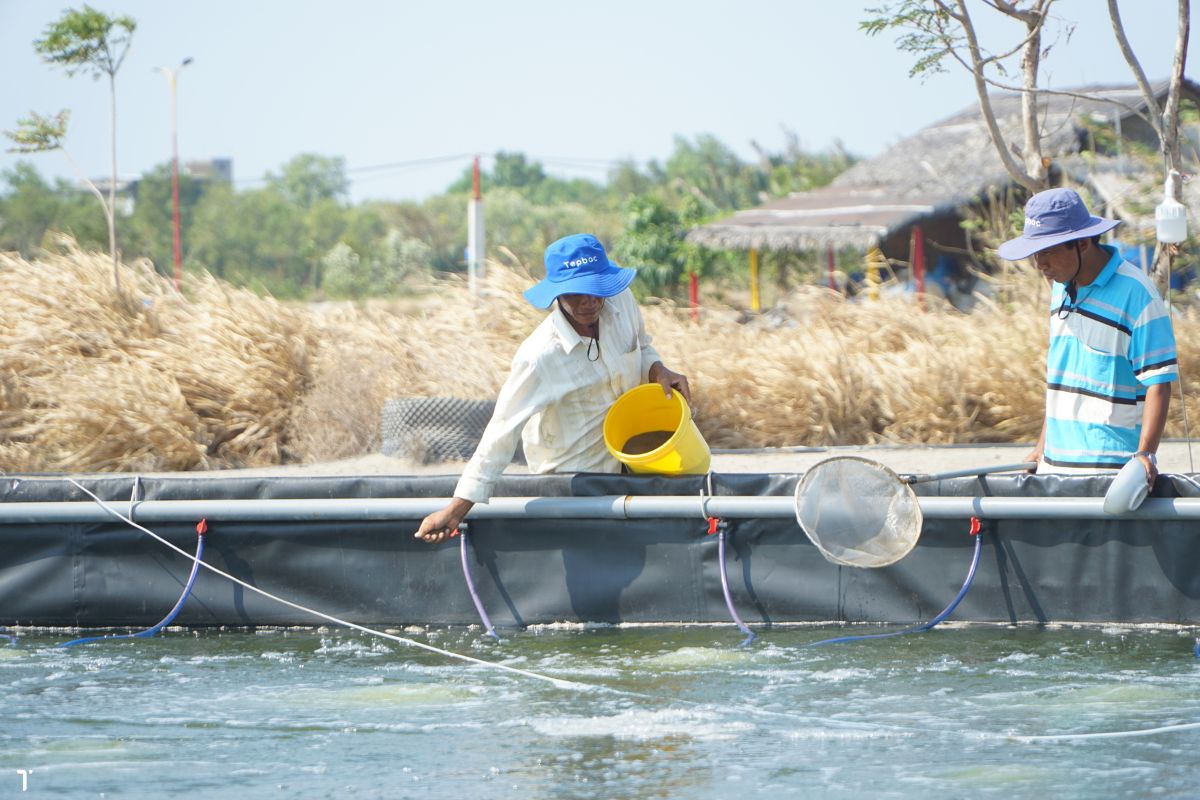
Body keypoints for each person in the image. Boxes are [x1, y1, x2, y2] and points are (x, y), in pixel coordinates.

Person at [414, 233, 691, 544]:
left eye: (597, 290)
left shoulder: (621, 303)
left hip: (634, 465)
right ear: (557, 294)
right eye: (576, 293)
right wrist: (456, 509)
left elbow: (642, 345)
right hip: (574, 483)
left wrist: (658, 369)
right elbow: (501, 433)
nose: (589, 301)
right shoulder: (539, 357)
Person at [997, 188, 1178, 485]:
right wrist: (1041, 449)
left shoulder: (1137, 294)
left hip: (1109, 472)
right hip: (1054, 468)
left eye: (1048, 251)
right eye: (1035, 253)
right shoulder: (1060, 286)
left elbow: (1158, 382)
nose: (1040, 264)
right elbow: (1064, 376)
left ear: (1081, 243)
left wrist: (1145, 455)